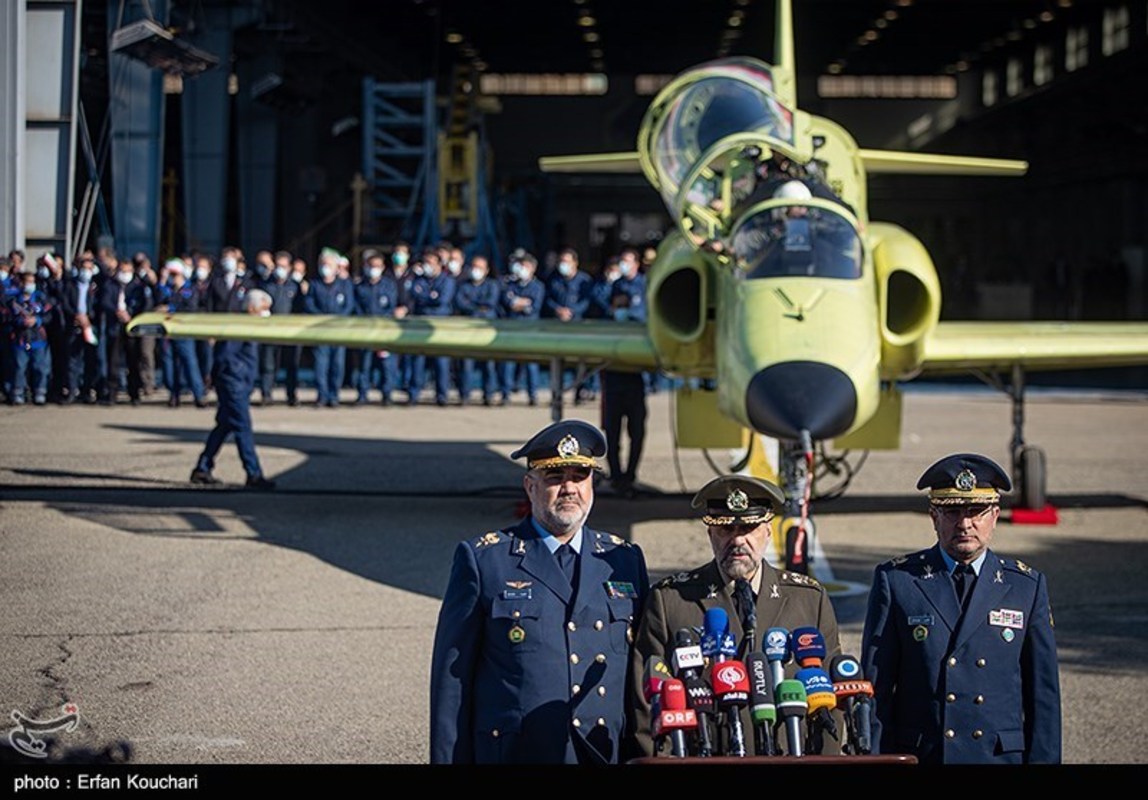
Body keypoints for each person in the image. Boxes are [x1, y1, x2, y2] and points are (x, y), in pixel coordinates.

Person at [429, 419, 650, 764]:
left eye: (580, 476)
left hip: (603, 752)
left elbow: (642, 677)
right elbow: (451, 686)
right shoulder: (486, 560)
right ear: (530, 486)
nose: (569, 488)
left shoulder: (623, 560)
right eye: (554, 478)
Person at [860, 453, 1061, 764]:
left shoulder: (1025, 587)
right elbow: (877, 690)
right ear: (933, 517)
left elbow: (1043, 697)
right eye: (952, 511)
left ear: (995, 516)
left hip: (997, 758)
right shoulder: (898, 581)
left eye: (976, 511)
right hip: (925, 755)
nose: (965, 524)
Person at [626, 474, 844, 759]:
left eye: (749, 527)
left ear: (768, 530)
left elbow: (831, 705)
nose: (738, 539)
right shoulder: (671, 601)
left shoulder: (808, 600)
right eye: (726, 529)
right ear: (710, 534)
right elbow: (646, 704)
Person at [189, 289, 276, 491]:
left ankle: (203, 467)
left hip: (239, 383)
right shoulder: (239, 326)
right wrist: (236, 377)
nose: (266, 313)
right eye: (264, 308)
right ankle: (253, 473)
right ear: (252, 307)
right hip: (233, 384)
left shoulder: (249, 326)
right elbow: (225, 356)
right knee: (243, 428)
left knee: (224, 425)